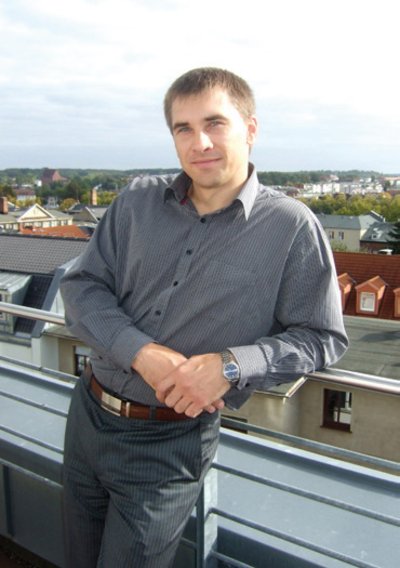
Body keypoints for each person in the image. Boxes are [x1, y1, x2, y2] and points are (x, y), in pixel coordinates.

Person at [60, 67, 348, 567]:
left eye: (215, 123)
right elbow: (82, 286)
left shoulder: (291, 227)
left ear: (250, 129)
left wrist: (231, 366)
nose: (200, 143)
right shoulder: (136, 202)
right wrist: (141, 353)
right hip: (88, 412)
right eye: (184, 128)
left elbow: (322, 337)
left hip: (171, 443)